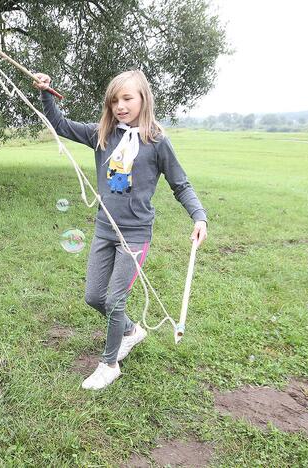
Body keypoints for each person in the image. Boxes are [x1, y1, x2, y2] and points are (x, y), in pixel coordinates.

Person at [33, 70, 207, 390]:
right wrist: (46, 92)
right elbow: (60, 125)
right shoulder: (102, 134)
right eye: (114, 100)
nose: (120, 106)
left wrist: (199, 217)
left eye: (127, 98)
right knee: (94, 297)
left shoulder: (157, 142)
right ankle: (130, 330)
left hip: (136, 234)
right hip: (104, 229)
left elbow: (180, 184)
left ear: (143, 99)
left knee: (115, 300)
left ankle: (109, 364)